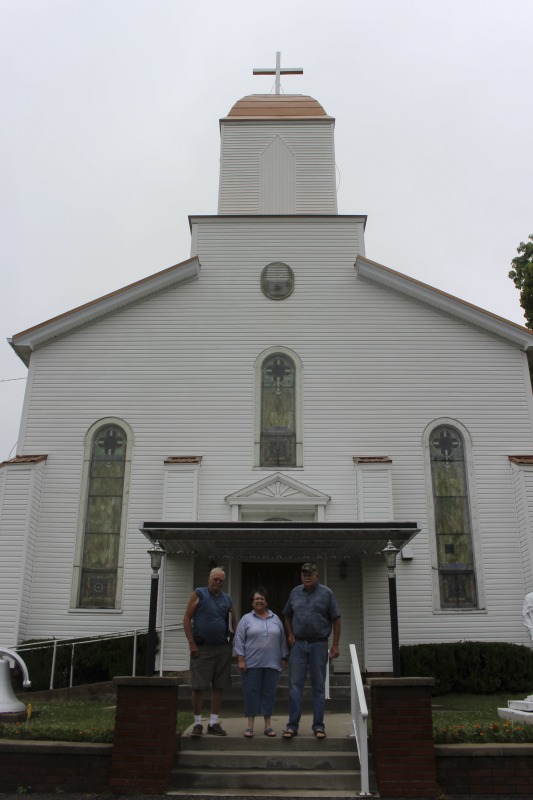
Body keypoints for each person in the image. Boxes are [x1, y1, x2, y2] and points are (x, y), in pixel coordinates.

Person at [282, 562, 341, 740]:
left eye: (310, 574)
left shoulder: (327, 593)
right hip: (298, 645)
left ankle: (318, 726)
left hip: (319, 645)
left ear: (317, 575)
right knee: (294, 686)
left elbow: (336, 619)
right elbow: (287, 615)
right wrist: (290, 633)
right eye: (304, 574)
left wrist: (336, 644)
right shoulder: (294, 592)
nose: (306, 577)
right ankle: (292, 726)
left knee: (318, 687)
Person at [183, 566, 237, 737]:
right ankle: (198, 723)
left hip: (222, 649)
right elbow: (186, 618)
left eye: (221, 580)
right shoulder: (199, 594)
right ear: (209, 579)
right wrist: (192, 644)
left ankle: (213, 722)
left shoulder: (227, 599)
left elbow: (234, 623)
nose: (218, 583)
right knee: (198, 686)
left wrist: (232, 644)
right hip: (202, 648)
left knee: (219, 686)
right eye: (215, 579)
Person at [234, 586, 288, 738]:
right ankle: (250, 726)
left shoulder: (275, 618)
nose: (259, 601)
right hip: (251, 664)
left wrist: (284, 657)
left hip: (272, 663)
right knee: (251, 693)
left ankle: (268, 726)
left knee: (269, 694)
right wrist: (240, 659)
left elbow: (282, 639)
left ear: (266, 602)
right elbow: (239, 640)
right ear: (252, 603)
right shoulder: (246, 619)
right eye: (256, 599)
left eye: (262, 599)